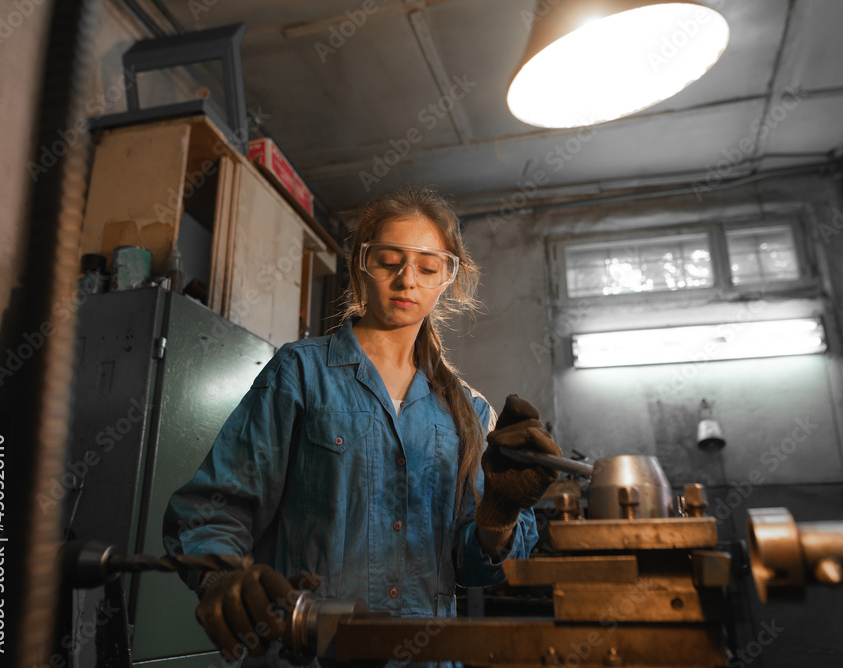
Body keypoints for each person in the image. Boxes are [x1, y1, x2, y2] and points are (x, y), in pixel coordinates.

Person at [162, 186, 562, 665]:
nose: (407, 279)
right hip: (306, 653)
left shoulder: (469, 411)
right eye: (389, 261)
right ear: (361, 266)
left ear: (447, 278)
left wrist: (499, 513)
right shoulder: (301, 373)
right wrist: (220, 577)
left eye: (428, 267)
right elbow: (216, 505)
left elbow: (478, 569)